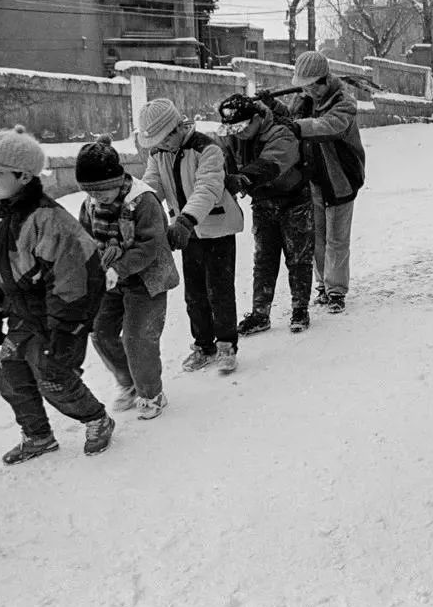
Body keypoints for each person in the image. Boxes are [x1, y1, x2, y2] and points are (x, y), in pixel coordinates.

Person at [0, 125, 114, 464]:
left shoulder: (51, 221)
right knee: (10, 372)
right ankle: (38, 436)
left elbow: (77, 278)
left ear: (23, 175)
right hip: (22, 312)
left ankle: (96, 418)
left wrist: (67, 330)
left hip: (61, 317)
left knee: (53, 375)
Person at [137, 98, 243, 374]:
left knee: (219, 290)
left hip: (216, 228)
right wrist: (135, 207)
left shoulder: (207, 148)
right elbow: (152, 185)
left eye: (163, 139)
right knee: (194, 294)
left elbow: (207, 189)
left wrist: (185, 220)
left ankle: (226, 345)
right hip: (186, 233)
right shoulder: (158, 153)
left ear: (175, 128)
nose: (160, 146)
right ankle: (203, 345)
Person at [76, 135, 178, 420]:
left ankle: (151, 392)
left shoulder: (143, 200)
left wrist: (117, 268)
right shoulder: (90, 204)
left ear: (116, 180)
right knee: (100, 331)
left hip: (147, 279)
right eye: (91, 192)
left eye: (103, 192)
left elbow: (150, 246)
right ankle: (128, 382)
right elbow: (84, 240)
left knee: (138, 338)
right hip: (111, 280)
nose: (97, 198)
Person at [262, 50, 365, 314]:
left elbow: (329, 126)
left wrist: (298, 127)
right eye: (304, 87)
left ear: (323, 80)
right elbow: (292, 119)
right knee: (317, 236)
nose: (308, 92)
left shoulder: (344, 101)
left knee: (337, 239)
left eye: (312, 87)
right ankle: (323, 284)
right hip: (313, 178)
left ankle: (337, 290)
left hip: (341, 178)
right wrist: (272, 106)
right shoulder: (304, 99)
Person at [214, 94, 310, 335]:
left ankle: (300, 309)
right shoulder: (233, 138)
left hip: (293, 199)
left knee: (298, 257)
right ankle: (260, 313)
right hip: (263, 202)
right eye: (232, 129)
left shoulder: (281, 132)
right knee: (264, 259)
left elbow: (272, 163)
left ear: (257, 118)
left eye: (242, 128)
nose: (237, 134)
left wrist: (245, 178)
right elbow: (222, 161)